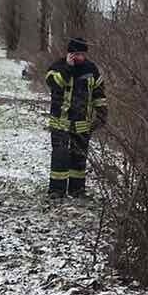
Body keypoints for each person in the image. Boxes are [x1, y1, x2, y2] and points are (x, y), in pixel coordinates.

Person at [45, 36, 106, 198]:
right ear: (70, 54)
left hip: (82, 124)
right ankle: (56, 191)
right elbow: (53, 84)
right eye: (76, 54)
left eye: (82, 54)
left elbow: (99, 94)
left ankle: (77, 190)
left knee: (79, 158)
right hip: (60, 122)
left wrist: (102, 113)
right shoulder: (58, 67)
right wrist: (68, 68)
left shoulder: (91, 69)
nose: (80, 57)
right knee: (60, 156)